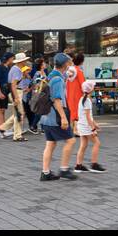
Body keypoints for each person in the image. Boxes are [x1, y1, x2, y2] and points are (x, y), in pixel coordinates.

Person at [38, 52, 78, 181]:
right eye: (69, 62)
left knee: (50, 144)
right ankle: (64, 169)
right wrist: (63, 118)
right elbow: (56, 100)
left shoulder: (50, 76)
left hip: (46, 117)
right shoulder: (57, 79)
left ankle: (45, 172)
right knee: (71, 140)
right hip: (55, 118)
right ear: (65, 64)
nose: (70, 64)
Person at [73, 80, 106, 173]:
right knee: (97, 143)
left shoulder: (82, 99)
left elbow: (87, 116)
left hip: (81, 125)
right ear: (91, 90)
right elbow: (88, 117)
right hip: (86, 126)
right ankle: (94, 164)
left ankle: (78, 165)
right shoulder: (87, 100)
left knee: (83, 145)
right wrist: (93, 129)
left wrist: (95, 124)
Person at [0, 52, 15, 139]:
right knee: (0, 110)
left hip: (3, 91)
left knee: (0, 110)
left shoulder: (7, 68)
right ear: (8, 59)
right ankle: (3, 130)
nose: (13, 60)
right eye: (12, 58)